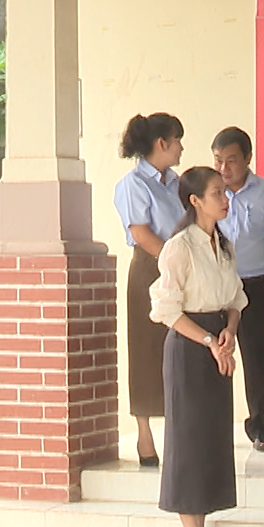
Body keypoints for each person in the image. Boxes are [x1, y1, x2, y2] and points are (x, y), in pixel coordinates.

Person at [149, 167, 248, 527]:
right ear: (195, 201)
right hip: (190, 349)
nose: (225, 199)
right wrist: (209, 341)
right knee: (188, 440)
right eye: (216, 193)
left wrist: (229, 333)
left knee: (210, 439)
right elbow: (166, 310)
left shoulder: (224, 245)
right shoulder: (179, 247)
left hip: (217, 343)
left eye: (225, 192)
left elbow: (236, 299)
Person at [114, 113, 187, 468]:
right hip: (149, 266)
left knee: (180, 346)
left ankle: (178, 429)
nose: (181, 148)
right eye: (177, 141)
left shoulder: (176, 183)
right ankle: (144, 434)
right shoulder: (133, 184)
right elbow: (141, 233)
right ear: (162, 143)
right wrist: (172, 261)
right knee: (145, 349)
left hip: (181, 267)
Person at [211, 127, 264, 454]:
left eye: (231, 160)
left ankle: (259, 427)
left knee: (256, 359)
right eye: (218, 160)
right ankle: (213, 426)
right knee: (214, 355)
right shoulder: (209, 194)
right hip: (216, 288)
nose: (224, 168)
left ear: (248, 158)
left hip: (253, 285)